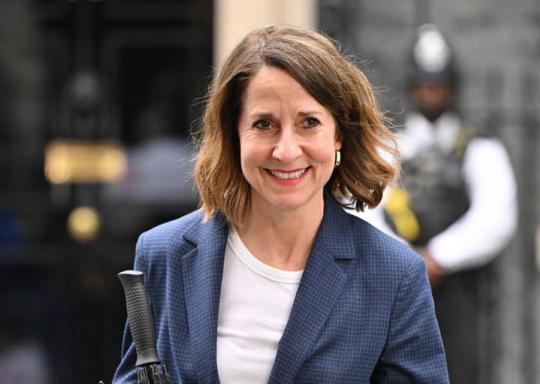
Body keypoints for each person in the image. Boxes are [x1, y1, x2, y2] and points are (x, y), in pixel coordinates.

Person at [112, 25, 448, 383]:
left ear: (338, 135)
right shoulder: (162, 254)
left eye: (309, 122)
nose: (286, 150)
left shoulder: (394, 277)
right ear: (233, 134)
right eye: (264, 123)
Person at [355, 24, 517, 383]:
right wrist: (408, 259)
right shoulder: (389, 148)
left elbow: (495, 217)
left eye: (439, 86)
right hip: (397, 286)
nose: (432, 95)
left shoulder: (480, 147)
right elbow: (364, 208)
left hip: (460, 292)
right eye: (424, 86)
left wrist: (439, 257)